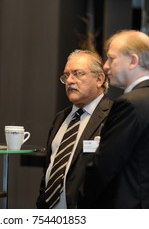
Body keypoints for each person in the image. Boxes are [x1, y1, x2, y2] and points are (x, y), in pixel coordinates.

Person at [77, 30, 149, 208]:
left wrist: (80, 198)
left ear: (133, 61)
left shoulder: (129, 104)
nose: (106, 66)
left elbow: (105, 166)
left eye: (111, 58)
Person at [36, 49, 113, 209]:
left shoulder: (113, 115)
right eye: (66, 75)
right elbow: (49, 168)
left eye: (78, 74)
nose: (70, 80)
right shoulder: (60, 118)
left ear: (99, 79)